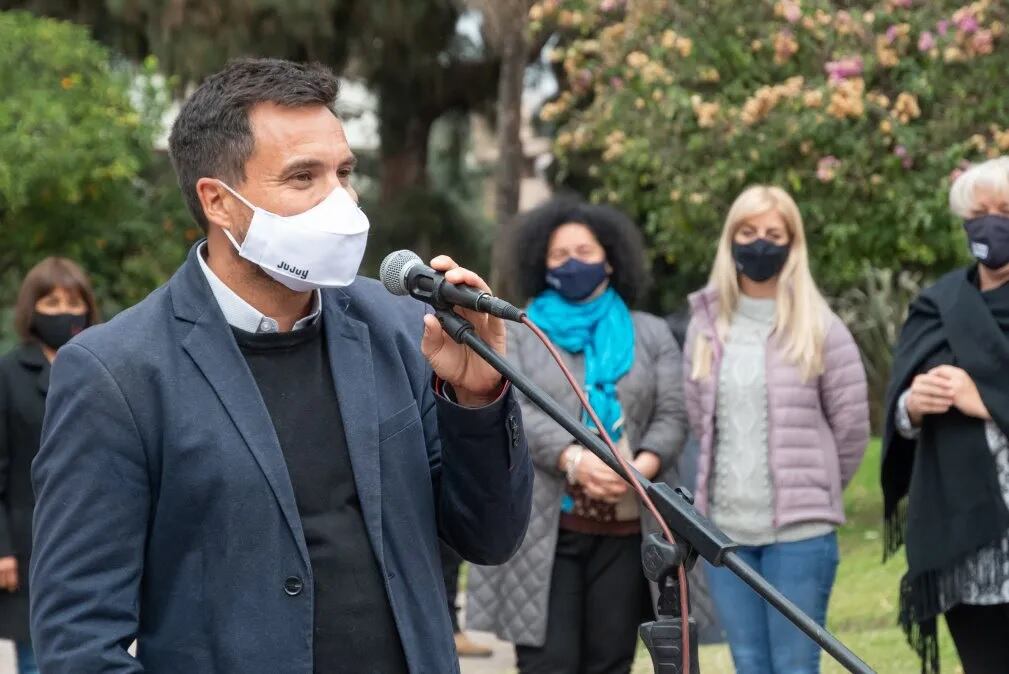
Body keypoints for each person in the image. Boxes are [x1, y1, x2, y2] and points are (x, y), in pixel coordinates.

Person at [29, 58, 533, 674]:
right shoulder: (117, 371)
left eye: (344, 173)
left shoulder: (402, 327)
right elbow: (79, 641)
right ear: (219, 201)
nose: (341, 202)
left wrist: (477, 403)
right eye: (303, 177)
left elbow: (489, 537)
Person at [466, 197, 687, 674]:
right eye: (560, 254)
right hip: (545, 528)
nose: (573, 263)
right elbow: (515, 408)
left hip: (629, 530)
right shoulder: (518, 330)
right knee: (550, 663)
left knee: (611, 661)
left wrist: (639, 471)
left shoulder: (650, 333)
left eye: (585, 251)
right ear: (540, 264)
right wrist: (575, 461)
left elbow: (672, 414)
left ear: (610, 257)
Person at [684, 185, 869, 674]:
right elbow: (701, 422)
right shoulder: (705, 327)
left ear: (793, 243)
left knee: (795, 666)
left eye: (773, 233)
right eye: (747, 232)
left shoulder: (822, 329)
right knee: (749, 664)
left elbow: (851, 431)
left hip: (800, 536)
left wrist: (813, 489)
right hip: (726, 532)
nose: (759, 243)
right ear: (730, 241)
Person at [883, 156, 1009, 674]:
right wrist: (914, 404)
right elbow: (898, 411)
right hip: (965, 544)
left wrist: (984, 400)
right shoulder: (936, 305)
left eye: (1005, 210)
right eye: (979, 212)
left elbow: (983, 397)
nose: (991, 222)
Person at [0, 257, 99, 674]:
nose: (64, 314)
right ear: (31, 309)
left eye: (73, 303)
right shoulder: (8, 373)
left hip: (95, 536)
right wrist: (2, 550)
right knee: (37, 658)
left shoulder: (103, 366)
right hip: (29, 544)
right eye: (52, 303)